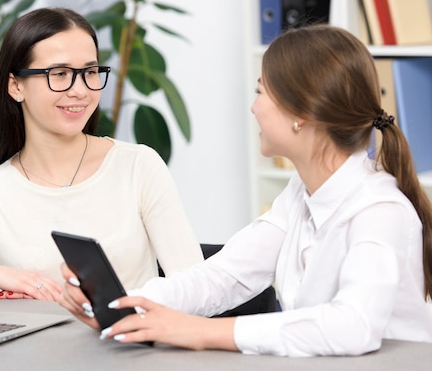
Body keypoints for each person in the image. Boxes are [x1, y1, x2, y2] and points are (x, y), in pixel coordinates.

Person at [59, 24, 432, 356]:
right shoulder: (301, 193)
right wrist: (131, 306)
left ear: (301, 113)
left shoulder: (379, 210)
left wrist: (203, 332)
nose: (254, 108)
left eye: (262, 92)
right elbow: (225, 276)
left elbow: (353, 327)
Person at [0, 7, 203, 302]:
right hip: (32, 349)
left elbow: (196, 286)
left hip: (133, 344)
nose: (80, 90)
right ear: (16, 86)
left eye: (89, 72)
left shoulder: (138, 167)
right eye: (60, 74)